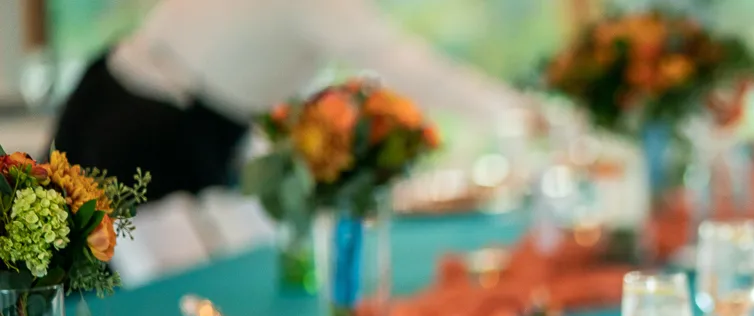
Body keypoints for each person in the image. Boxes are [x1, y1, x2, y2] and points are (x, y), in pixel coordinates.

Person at [50, 0, 533, 197]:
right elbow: (405, 65)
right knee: (92, 298)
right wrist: (514, 112)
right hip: (143, 123)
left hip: (134, 99)